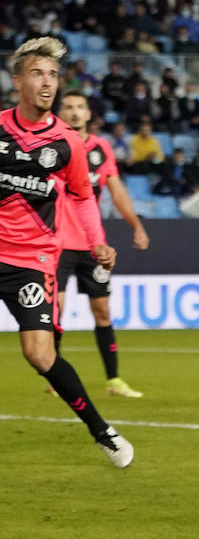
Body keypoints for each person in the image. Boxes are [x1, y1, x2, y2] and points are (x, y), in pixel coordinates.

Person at [0, 38, 131, 467]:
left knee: (39, 353)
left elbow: (81, 196)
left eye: (54, 75)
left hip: (31, 259)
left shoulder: (68, 142)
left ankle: (102, 432)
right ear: (17, 80)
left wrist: (97, 240)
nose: (47, 83)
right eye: (38, 73)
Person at [54, 92, 149, 398]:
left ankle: (114, 380)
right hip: (57, 241)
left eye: (80, 107)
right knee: (56, 307)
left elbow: (117, 192)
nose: (74, 112)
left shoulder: (101, 147)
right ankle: (54, 376)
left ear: (89, 113)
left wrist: (136, 224)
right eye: (68, 107)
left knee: (103, 311)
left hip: (93, 244)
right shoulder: (51, 145)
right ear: (60, 112)